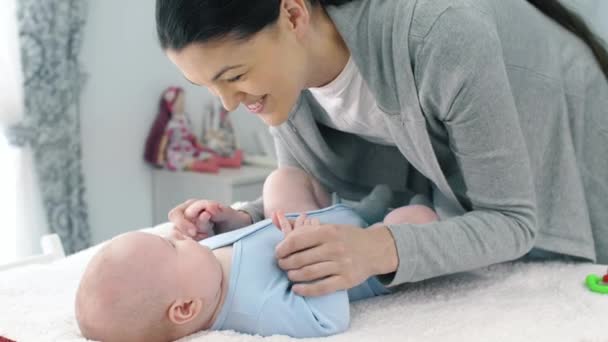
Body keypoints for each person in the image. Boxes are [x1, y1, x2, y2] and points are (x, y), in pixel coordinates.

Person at [157, 0, 608, 297]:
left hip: (573, 126)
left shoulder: (438, 36)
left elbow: (512, 220)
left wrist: (377, 249)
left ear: (293, 15)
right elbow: (321, 202)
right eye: (208, 85)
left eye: (234, 76)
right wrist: (245, 221)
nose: (230, 104)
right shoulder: (284, 80)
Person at [75, 173, 436, 341]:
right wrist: (312, 265)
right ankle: (401, 208)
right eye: (172, 246)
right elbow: (326, 322)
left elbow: (250, 236)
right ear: (185, 308)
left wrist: (223, 223)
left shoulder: (203, 270)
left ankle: (364, 201)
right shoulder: (255, 309)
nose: (177, 236)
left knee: (280, 182)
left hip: (310, 218)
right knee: (416, 222)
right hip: (363, 258)